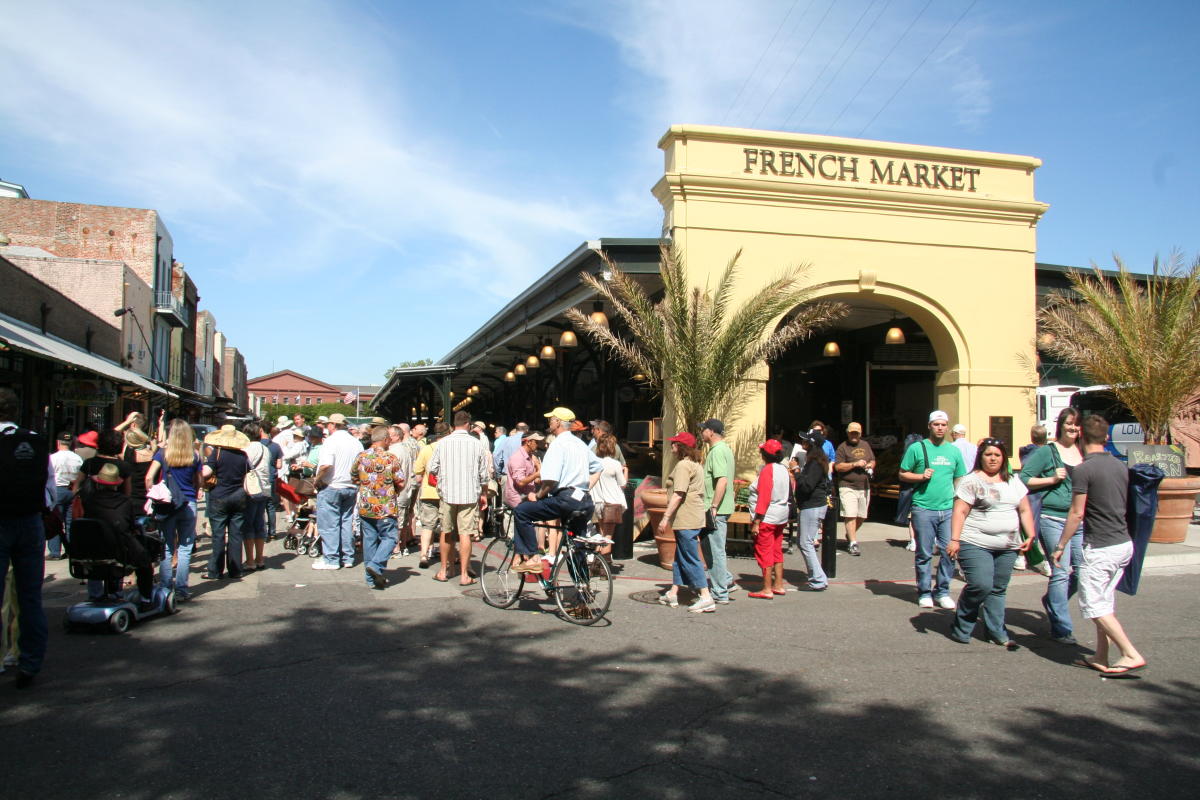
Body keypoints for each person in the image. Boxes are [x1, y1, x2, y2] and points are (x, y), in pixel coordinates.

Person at [1052, 414, 1145, 675]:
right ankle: (1101, 655)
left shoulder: (1083, 469)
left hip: (1101, 546)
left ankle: (1129, 652)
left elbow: (1076, 513)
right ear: (1106, 437)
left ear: (1081, 436)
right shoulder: (1119, 466)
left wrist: (1060, 545)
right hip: (1123, 543)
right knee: (1104, 601)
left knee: (1093, 604)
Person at [946, 439, 1037, 647]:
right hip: (975, 542)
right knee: (981, 584)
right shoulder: (971, 481)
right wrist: (954, 539)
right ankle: (962, 625)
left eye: (997, 454)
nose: (993, 458)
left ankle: (996, 631)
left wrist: (1030, 535)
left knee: (998, 589)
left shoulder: (1013, 480)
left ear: (1003, 457)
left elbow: (1024, 509)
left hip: (1008, 545)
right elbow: (960, 511)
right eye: (988, 454)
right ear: (981, 457)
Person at [0, 386, 53, 688]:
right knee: (30, 596)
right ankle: (30, 661)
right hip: (31, 521)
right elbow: (48, 490)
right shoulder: (34, 442)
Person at [1019, 407, 1085, 644]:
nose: (1073, 428)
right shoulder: (1047, 452)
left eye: (1077, 424)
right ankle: (1062, 628)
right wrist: (1052, 479)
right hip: (1052, 519)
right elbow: (1024, 478)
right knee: (1060, 572)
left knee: (1079, 572)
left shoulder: (1083, 451)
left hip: (1079, 520)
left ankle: (1052, 602)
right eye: (1069, 423)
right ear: (1060, 425)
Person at [512, 408, 600, 575]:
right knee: (576, 545)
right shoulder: (580, 444)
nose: (549, 422)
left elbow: (550, 480)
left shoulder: (557, 444)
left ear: (558, 422)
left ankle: (533, 558)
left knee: (522, 512)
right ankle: (583, 591)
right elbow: (598, 467)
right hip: (584, 500)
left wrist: (538, 496)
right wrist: (585, 487)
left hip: (565, 498)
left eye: (551, 419)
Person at [899, 410, 967, 609]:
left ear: (948, 427)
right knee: (924, 553)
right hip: (923, 507)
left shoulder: (954, 451)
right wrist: (920, 477)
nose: (940, 428)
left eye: (943, 425)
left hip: (947, 509)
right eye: (936, 424)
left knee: (949, 552)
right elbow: (903, 474)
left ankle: (943, 591)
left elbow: (959, 477)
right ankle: (924, 591)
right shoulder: (917, 448)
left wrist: (957, 500)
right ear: (929, 426)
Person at [81, 462, 156, 609]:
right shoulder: (124, 502)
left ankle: (97, 595)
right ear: (116, 484)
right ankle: (146, 599)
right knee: (145, 560)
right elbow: (131, 527)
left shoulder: (89, 501)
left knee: (103, 554)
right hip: (118, 551)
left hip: (93, 549)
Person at [655, 432, 715, 613]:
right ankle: (673, 592)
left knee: (689, 557)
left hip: (686, 517)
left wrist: (665, 517)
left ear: (681, 447)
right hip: (693, 515)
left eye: (674, 444)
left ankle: (705, 596)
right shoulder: (695, 464)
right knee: (681, 556)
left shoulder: (683, 466)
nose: (671, 446)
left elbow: (678, 493)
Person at [429, 411, 489, 585]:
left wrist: (444, 477)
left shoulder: (443, 443)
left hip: (447, 493)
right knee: (465, 534)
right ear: (468, 425)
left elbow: (432, 468)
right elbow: (484, 474)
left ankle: (442, 571)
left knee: (446, 532)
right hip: (469, 495)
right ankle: (464, 574)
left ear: (454, 424)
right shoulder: (476, 444)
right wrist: (484, 493)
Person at [145, 420, 203, 600]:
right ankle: (181, 589)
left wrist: (153, 492)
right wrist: (196, 489)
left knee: (167, 547)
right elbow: (199, 480)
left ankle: (165, 587)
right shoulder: (193, 454)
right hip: (188, 503)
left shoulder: (163, 454)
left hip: (168, 504)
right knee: (185, 548)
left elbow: (149, 477)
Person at [351, 427, 405, 589]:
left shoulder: (361, 456)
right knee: (390, 538)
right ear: (386, 439)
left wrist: (367, 486)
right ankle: (376, 565)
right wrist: (393, 490)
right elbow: (401, 481)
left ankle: (370, 579)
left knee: (369, 540)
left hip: (366, 505)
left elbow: (354, 477)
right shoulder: (390, 458)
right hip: (385, 506)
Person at [313, 413, 364, 570]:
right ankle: (347, 557)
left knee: (329, 524)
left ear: (332, 425)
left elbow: (326, 465)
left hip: (332, 485)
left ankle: (331, 558)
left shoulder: (330, 441)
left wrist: (317, 479)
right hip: (350, 486)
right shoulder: (356, 443)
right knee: (346, 522)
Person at [201, 425, 250, 580]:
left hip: (219, 496)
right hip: (239, 496)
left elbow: (206, 472)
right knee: (236, 534)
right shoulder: (243, 455)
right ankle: (236, 570)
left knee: (218, 534)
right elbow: (247, 474)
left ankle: (215, 571)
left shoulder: (216, 454)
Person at [748, 439, 793, 599]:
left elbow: (764, 497)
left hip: (768, 516)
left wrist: (757, 521)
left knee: (765, 551)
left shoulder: (768, 470)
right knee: (776, 549)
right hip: (781, 514)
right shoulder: (783, 469)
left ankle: (766, 588)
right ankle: (778, 584)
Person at [699, 418, 736, 603]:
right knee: (711, 548)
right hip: (716, 508)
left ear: (711, 431)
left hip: (716, 510)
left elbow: (722, 480)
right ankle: (726, 580)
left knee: (715, 551)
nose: (701, 432)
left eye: (703, 429)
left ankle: (721, 591)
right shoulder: (721, 450)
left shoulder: (718, 451)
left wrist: (714, 506)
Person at [794, 433, 831, 591]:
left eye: (805, 440)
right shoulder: (813, 461)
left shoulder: (815, 463)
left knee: (806, 542)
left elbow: (807, 485)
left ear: (811, 444)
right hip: (809, 505)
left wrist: (796, 472)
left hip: (813, 505)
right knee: (803, 542)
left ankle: (818, 579)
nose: (802, 442)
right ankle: (816, 577)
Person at [834, 421, 875, 557]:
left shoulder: (865, 445)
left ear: (860, 433)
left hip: (864, 486)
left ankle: (849, 534)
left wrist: (870, 465)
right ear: (848, 433)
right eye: (851, 433)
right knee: (850, 514)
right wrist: (854, 464)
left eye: (856, 433)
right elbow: (838, 467)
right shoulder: (842, 447)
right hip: (847, 485)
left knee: (861, 516)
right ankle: (853, 543)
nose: (854, 435)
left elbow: (873, 460)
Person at [587, 433, 625, 571]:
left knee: (601, 533)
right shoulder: (615, 464)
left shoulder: (595, 463)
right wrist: (624, 471)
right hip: (611, 502)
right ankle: (605, 567)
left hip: (597, 502)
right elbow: (622, 483)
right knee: (608, 536)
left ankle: (595, 565)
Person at [412, 423, 445, 569]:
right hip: (446, 493)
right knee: (447, 526)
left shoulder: (426, 449)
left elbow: (417, 471)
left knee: (427, 525)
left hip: (428, 491)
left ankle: (424, 554)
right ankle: (448, 557)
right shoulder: (449, 449)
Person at [240, 422, 271, 571]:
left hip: (251, 490)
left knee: (248, 525)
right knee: (259, 523)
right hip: (264, 489)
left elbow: (243, 467)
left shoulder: (246, 449)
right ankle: (260, 558)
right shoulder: (266, 449)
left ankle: (250, 560)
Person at [48, 432, 82, 559]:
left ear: (58, 443)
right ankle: (70, 550)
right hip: (72, 490)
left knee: (56, 520)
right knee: (70, 522)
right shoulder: (77, 458)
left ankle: (55, 552)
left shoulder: (53, 458)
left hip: (58, 489)